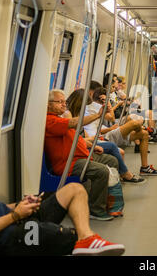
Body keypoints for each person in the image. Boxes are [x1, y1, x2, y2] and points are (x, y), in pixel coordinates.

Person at [0, 116, 125, 256]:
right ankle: (83, 240)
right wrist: (16, 215)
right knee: (67, 237)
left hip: (13, 221)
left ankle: (87, 238)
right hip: (6, 240)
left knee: (74, 190)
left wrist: (19, 206)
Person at [45, 89, 119, 220]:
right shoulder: (50, 121)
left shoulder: (59, 119)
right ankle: (95, 210)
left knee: (112, 161)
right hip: (68, 163)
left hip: (80, 156)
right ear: (48, 105)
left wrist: (91, 146)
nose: (63, 104)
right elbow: (74, 123)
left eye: (64, 102)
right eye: (59, 102)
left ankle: (109, 201)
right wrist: (98, 115)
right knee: (101, 171)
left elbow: (74, 139)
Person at [66, 88, 145, 184]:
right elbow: (111, 118)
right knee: (131, 127)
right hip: (83, 143)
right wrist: (92, 140)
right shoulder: (71, 115)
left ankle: (121, 177)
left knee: (136, 126)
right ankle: (125, 174)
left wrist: (94, 138)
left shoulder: (79, 114)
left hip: (89, 138)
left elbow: (83, 133)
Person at [84, 87, 157, 176]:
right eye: (105, 99)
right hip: (105, 136)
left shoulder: (94, 110)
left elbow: (103, 124)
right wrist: (108, 106)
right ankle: (145, 129)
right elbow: (111, 118)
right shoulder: (95, 107)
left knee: (143, 134)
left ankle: (145, 168)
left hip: (106, 132)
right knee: (134, 123)